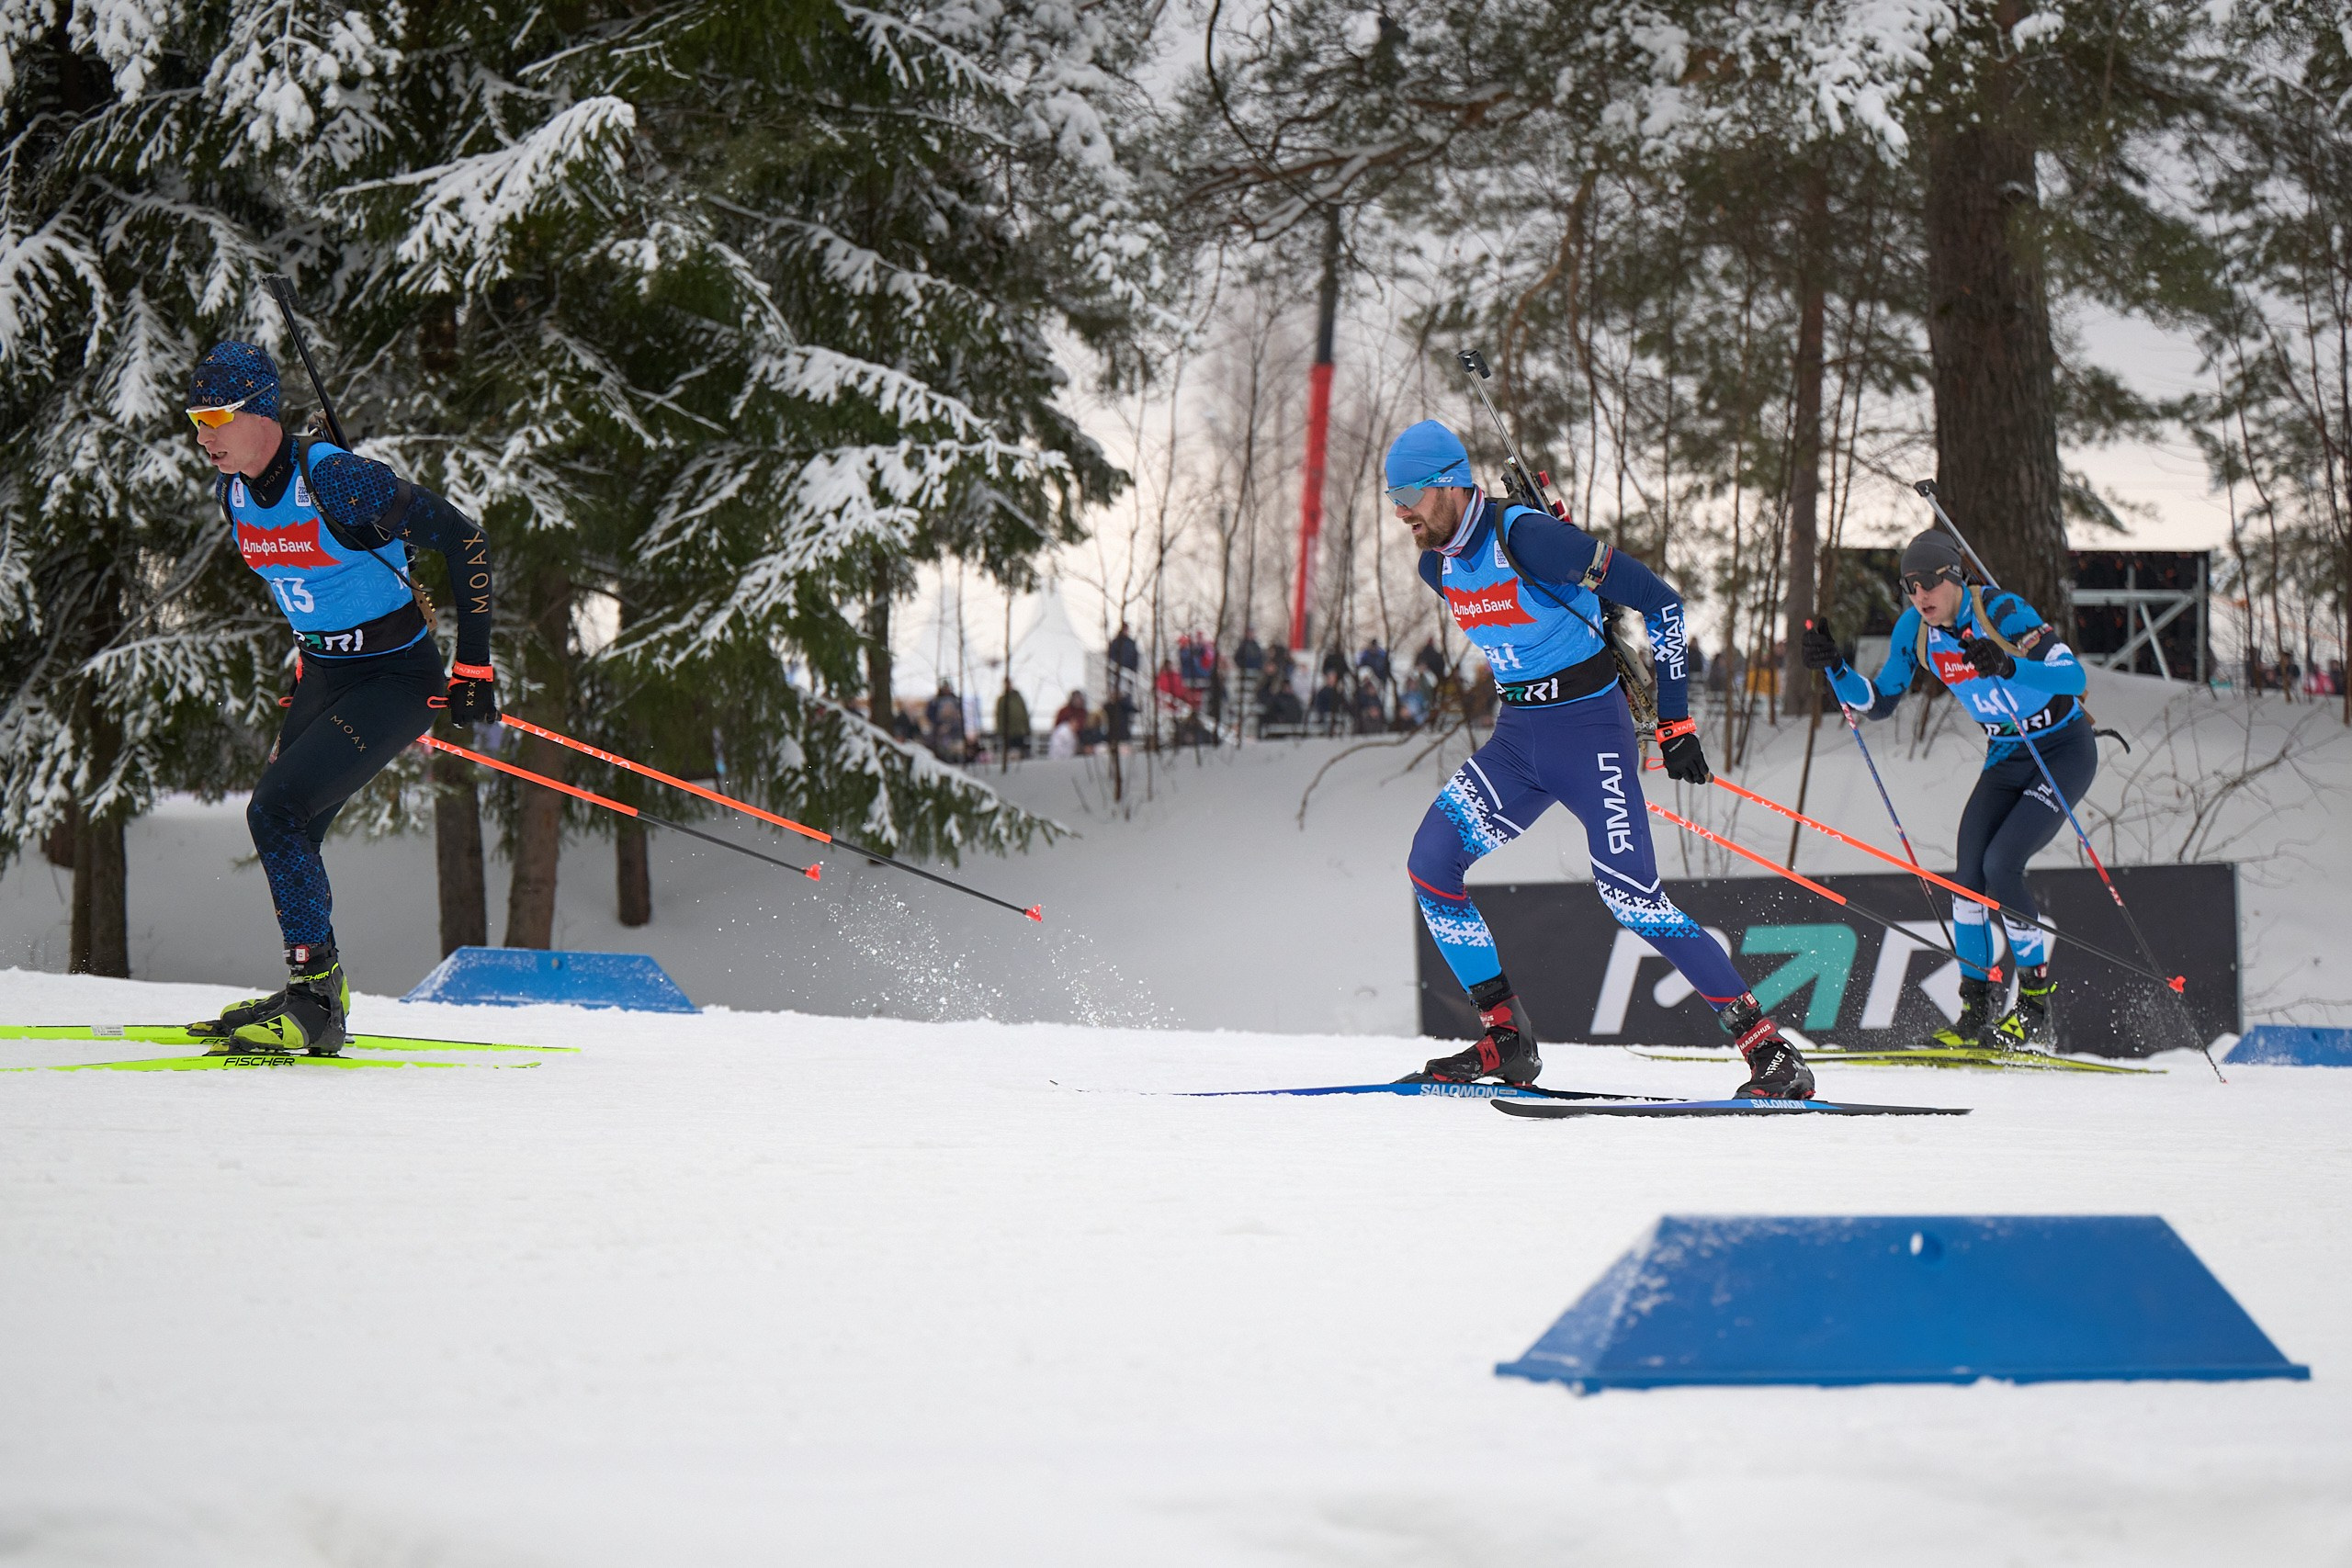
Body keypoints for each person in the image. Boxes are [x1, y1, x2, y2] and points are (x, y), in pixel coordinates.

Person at [1387, 419, 1811, 1099]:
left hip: (1590, 734)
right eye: (1391, 497)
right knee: (1431, 863)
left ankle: (1770, 1053)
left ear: (1450, 484)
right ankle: (1506, 1038)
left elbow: (1664, 604)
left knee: (1631, 896)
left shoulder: (1526, 535)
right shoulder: (1435, 565)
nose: (1400, 511)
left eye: (1407, 492)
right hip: (1520, 740)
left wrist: (1676, 720)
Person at [183, 342, 499, 1055]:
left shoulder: (340, 480)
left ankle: (315, 1005)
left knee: (275, 811)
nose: (202, 436)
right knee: (292, 830)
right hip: (324, 673)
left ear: (261, 410)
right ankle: (317, 992)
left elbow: (465, 542)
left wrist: (473, 665)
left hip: (394, 679)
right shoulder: (232, 490)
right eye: (193, 419)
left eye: (214, 417)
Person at [1804, 530, 2093, 1053]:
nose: (1920, 596)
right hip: (2007, 753)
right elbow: (1878, 702)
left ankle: (2033, 1005)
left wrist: (2009, 664)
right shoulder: (1915, 630)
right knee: (1968, 881)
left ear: (1955, 577)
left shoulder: (2001, 611)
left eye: (1929, 583)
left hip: (2062, 748)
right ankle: (1976, 1011)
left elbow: (2072, 678)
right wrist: (1836, 668)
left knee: (2002, 865)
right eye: (1909, 587)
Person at [995, 683, 1031, 760]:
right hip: (1008, 732)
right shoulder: (1002, 700)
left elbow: (1024, 714)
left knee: (1020, 752)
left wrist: (1027, 728)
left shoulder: (1019, 698)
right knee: (1010, 753)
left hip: (1020, 731)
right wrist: (1000, 730)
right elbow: (999, 716)